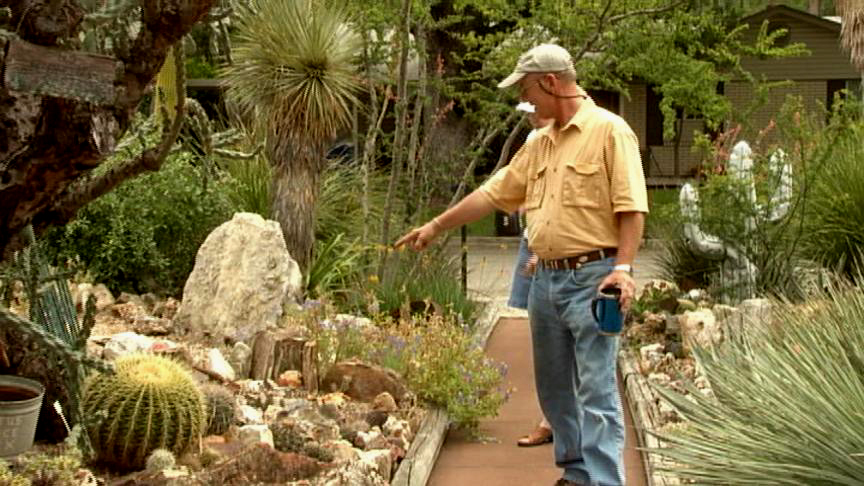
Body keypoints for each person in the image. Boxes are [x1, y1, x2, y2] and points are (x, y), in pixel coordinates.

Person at [395, 43, 648, 486]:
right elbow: (493, 194)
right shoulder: (539, 143)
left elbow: (632, 207)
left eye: (529, 91)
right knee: (553, 388)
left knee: (596, 389)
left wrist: (623, 269)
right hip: (545, 281)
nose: (526, 102)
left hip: (593, 278)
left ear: (551, 83)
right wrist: (437, 225)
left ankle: (605, 481)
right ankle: (576, 473)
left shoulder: (610, 132)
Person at [509, 101, 555, 448]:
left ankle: (554, 420)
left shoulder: (566, 141)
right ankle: (553, 417)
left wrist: (542, 252)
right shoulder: (533, 140)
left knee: (561, 340)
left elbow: (560, 202)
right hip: (533, 239)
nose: (530, 115)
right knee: (542, 333)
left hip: (552, 250)